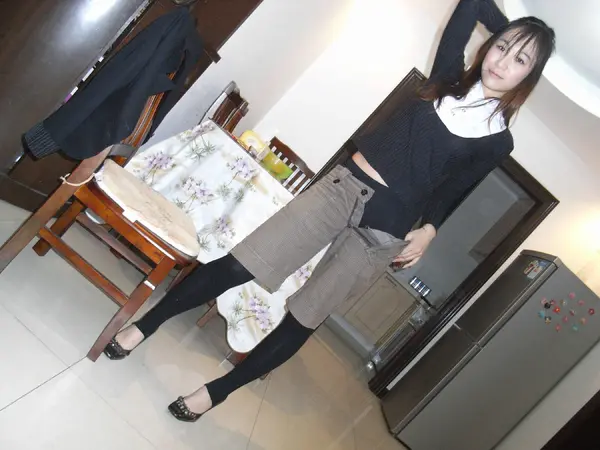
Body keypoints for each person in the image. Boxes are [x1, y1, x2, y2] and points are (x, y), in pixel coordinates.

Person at [103, 0, 555, 422]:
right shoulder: (446, 78)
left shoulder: (498, 141)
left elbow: (453, 190)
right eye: (501, 47)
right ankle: (145, 325)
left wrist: (431, 228)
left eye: (519, 60)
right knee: (240, 264)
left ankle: (216, 392)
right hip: (342, 190)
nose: (502, 62)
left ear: (529, 77)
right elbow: (472, 4)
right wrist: (519, 31)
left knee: (305, 317)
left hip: (385, 231)